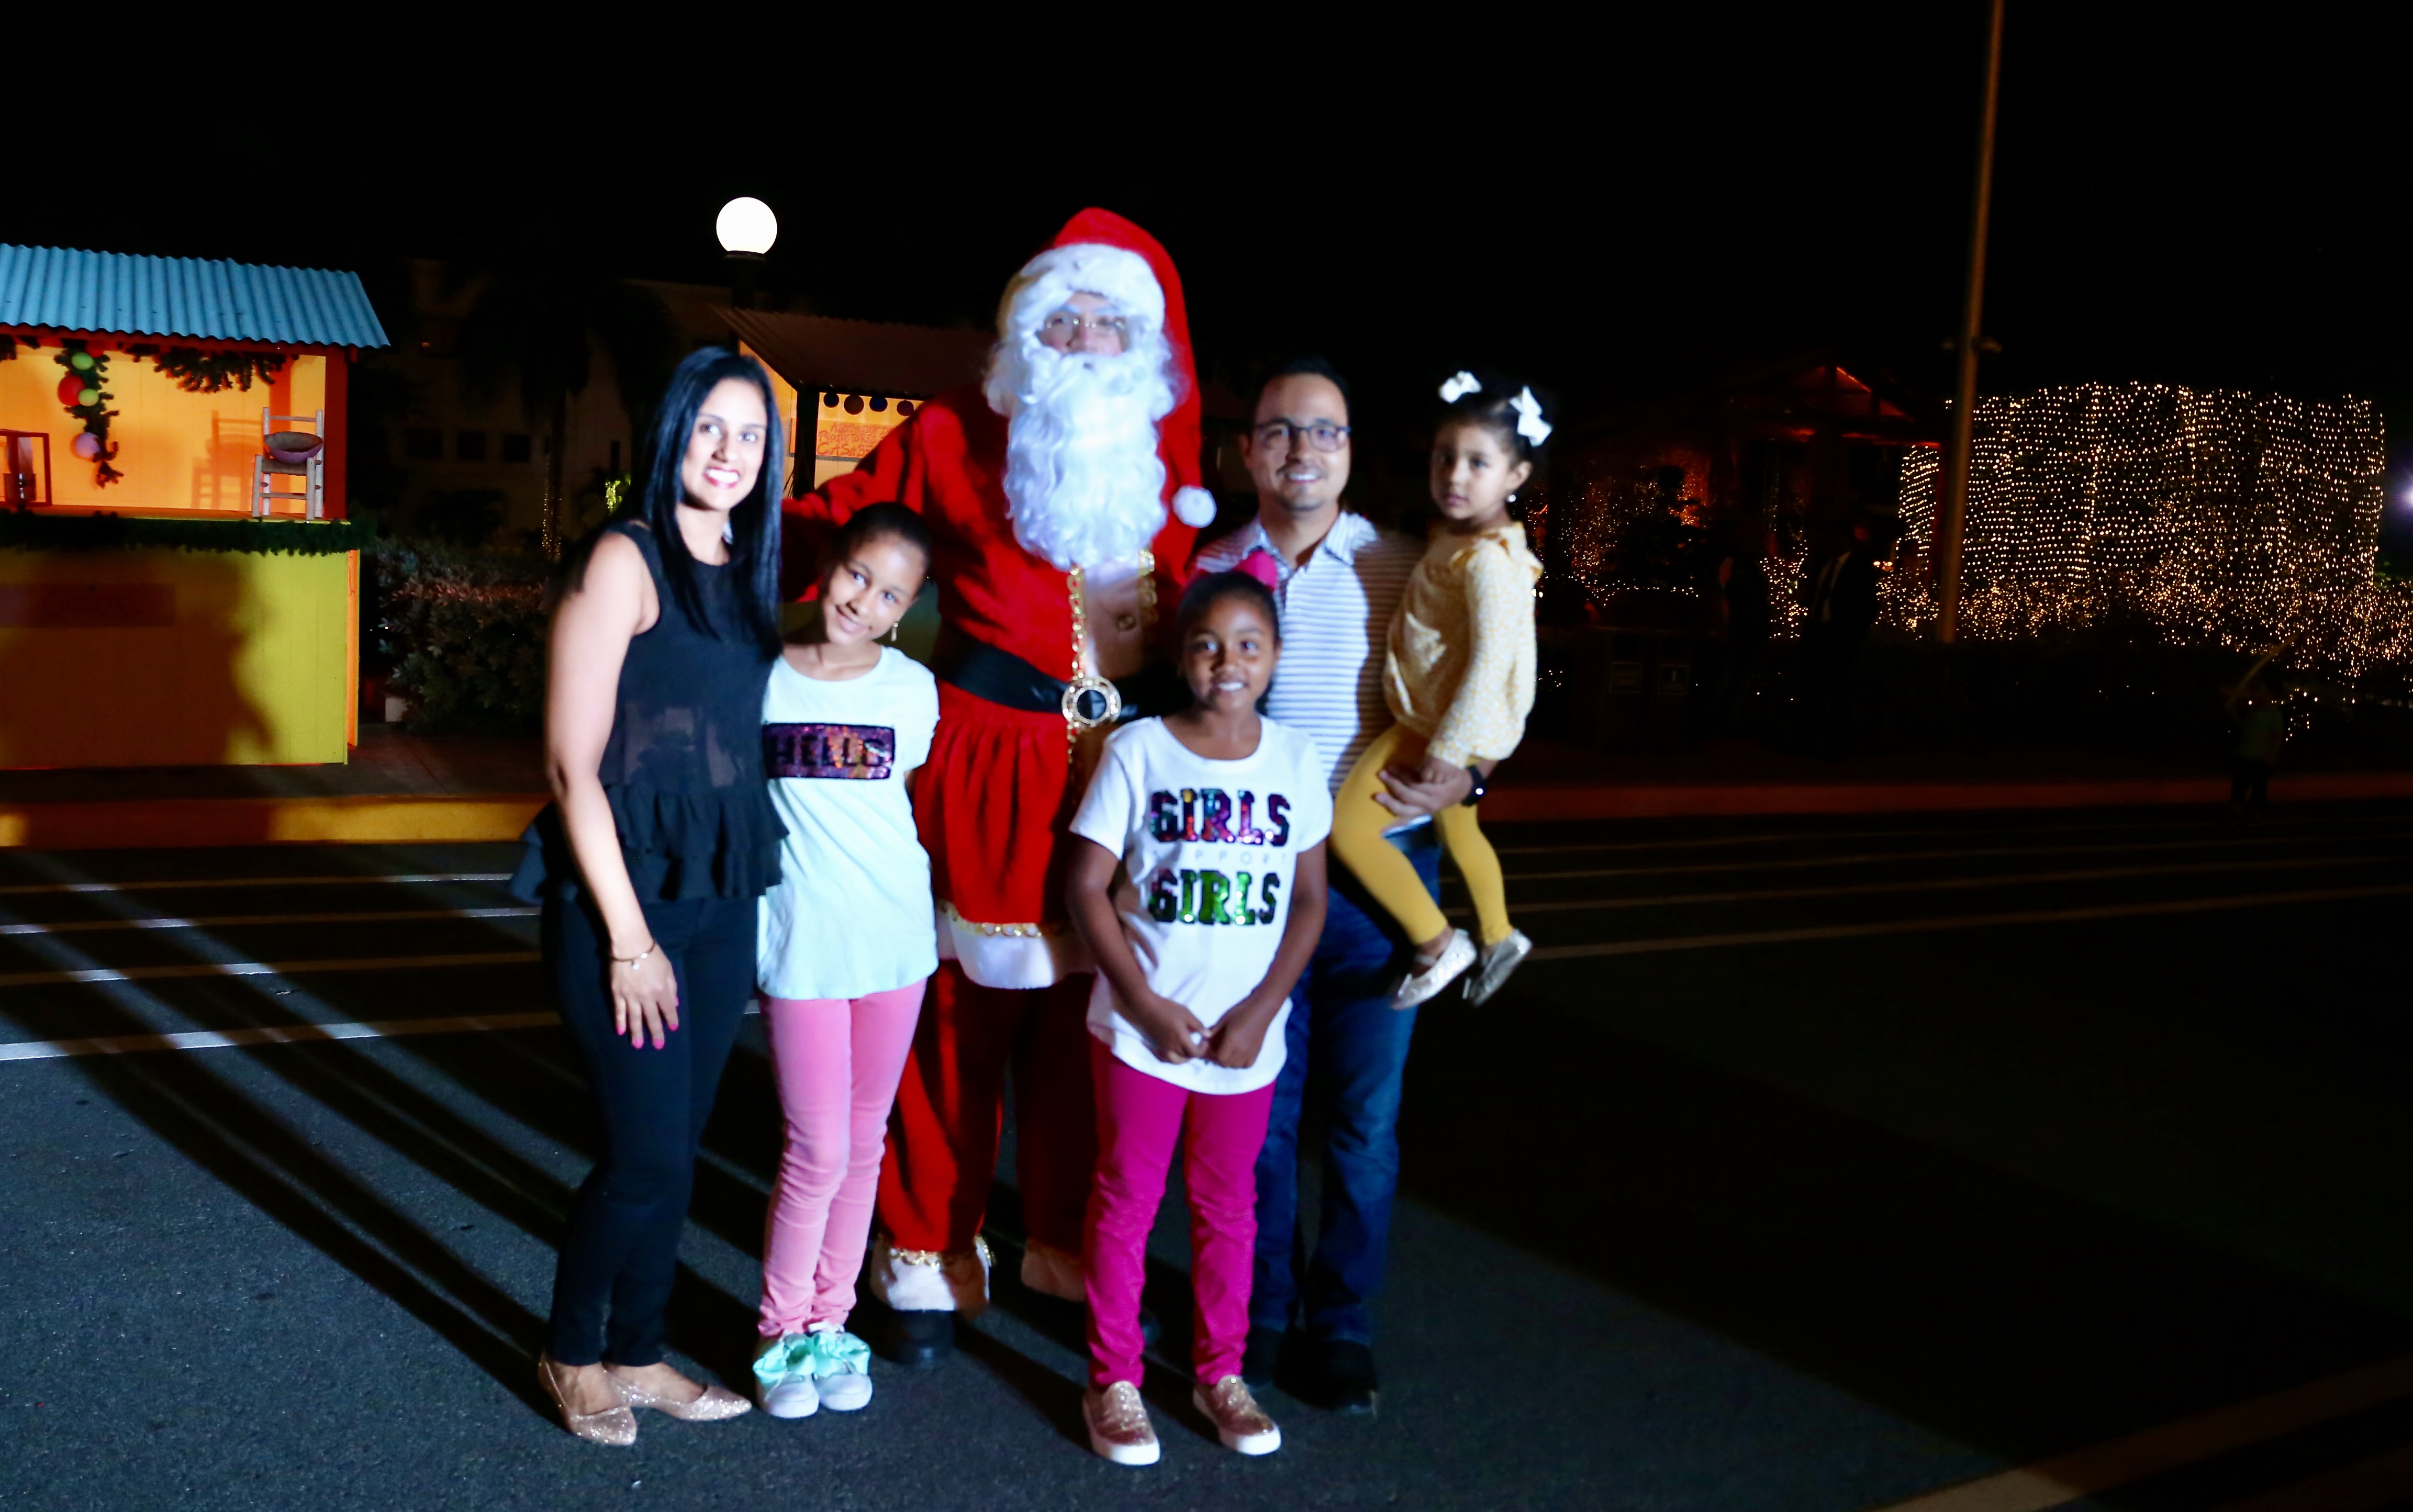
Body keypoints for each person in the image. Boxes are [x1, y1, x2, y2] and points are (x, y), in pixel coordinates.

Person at [780, 209, 1214, 1365]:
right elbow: (842, 525)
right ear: (1028, 328)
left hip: (1126, 776)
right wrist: (709, 537)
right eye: (1063, 315)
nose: (1085, 337)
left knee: (1090, 1028)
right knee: (957, 1023)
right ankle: (926, 1249)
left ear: (1144, 341)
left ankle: (1065, 1247)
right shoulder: (951, 429)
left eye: (1109, 320)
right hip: (984, 759)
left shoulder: (1169, 456)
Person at [517, 348, 787, 1446]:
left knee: (680, 1145)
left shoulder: (749, 563)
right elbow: (570, 766)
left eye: (751, 434)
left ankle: (639, 1350)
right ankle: (570, 1348)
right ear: (675, 429)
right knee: (645, 1157)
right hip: (622, 903)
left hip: (719, 892)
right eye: (712, 426)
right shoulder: (624, 557)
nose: (730, 452)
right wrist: (631, 941)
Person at [1193, 358, 1469, 1415]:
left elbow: (1477, 685)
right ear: (1246, 450)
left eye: (1325, 430)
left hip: (1381, 880)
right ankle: (1259, 1313)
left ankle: (1340, 1322)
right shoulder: (1210, 564)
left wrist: (1473, 774)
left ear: (1351, 450)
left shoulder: (1402, 564)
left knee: (1363, 1124)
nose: (1301, 449)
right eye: (1279, 430)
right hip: (1255, 881)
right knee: (1258, 1119)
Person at [1064, 572, 1330, 1465]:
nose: (1228, 662)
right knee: (1126, 1201)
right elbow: (1086, 885)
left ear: (1276, 656)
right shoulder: (1139, 749)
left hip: (1243, 1041)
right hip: (1143, 1033)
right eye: (1208, 644)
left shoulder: (1295, 759)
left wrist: (1262, 1011)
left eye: (1249, 644)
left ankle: (1221, 1370)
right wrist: (1142, 1001)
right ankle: (1113, 1379)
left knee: (1228, 1208)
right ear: (1181, 656)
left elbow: (1309, 901)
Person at [750, 503, 941, 1419]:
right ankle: (778, 1332)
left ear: (906, 610)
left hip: (896, 941)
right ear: (829, 564)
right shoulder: (763, 680)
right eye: (859, 574)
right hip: (799, 945)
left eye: (891, 593)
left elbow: (903, 804)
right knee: (815, 1147)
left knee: (865, 1144)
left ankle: (832, 1323)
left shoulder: (914, 691)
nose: (865, 600)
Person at [1326, 371, 1545, 1010]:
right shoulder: (1459, 541)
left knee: (1349, 830)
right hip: (1450, 721)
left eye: (1478, 462)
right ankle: (1499, 935)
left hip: (1438, 725)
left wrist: (1447, 752)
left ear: (1515, 476)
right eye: (1444, 457)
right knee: (1459, 830)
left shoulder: (1489, 562)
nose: (1454, 475)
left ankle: (1436, 942)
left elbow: (1491, 662)